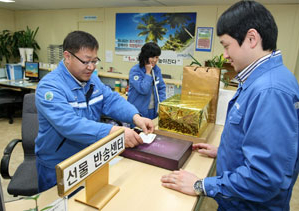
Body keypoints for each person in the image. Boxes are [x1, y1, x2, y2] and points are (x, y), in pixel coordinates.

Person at [161, 1, 299, 210]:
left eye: (226, 45)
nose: (224, 55)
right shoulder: (264, 80)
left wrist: (201, 185)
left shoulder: (269, 91)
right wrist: (226, 151)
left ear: (252, 38)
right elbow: (259, 141)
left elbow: (264, 178)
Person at [35, 30, 154, 192]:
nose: (91, 67)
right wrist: (113, 131)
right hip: (59, 163)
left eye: (94, 61)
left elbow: (111, 99)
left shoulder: (92, 79)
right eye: (85, 61)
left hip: (88, 155)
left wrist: (136, 117)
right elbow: (70, 124)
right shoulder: (50, 87)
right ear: (67, 57)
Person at [127, 42, 166, 119]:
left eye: (157, 57)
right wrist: (148, 73)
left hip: (153, 111)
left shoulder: (156, 70)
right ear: (145, 57)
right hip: (138, 111)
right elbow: (143, 89)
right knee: (139, 130)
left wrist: (161, 105)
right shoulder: (135, 71)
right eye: (152, 57)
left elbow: (161, 88)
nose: (155, 60)